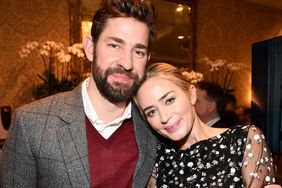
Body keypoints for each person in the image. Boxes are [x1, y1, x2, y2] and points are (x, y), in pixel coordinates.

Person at [0, 0, 158, 187]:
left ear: (147, 59)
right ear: (90, 48)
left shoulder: (155, 127)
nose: (127, 63)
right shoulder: (31, 124)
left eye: (138, 51)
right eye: (114, 45)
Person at [134, 62, 277, 187]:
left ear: (191, 94)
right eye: (151, 112)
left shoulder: (243, 140)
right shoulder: (156, 160)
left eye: (169, 100)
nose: (164, 117)